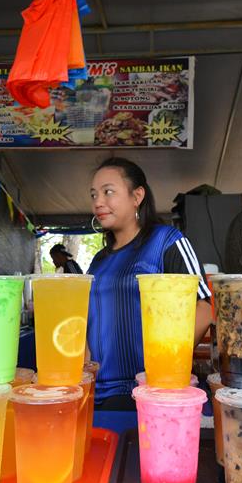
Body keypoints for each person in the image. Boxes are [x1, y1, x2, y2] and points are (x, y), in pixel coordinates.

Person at [87, 157, 212, 409]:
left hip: (146, 392)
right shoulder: (98, 261)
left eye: (108, 192)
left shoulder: (166, 241)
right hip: (96, 393)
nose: (98, 202)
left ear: (137, 196)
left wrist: (166, 366)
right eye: (93, 195)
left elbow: (204, 307)